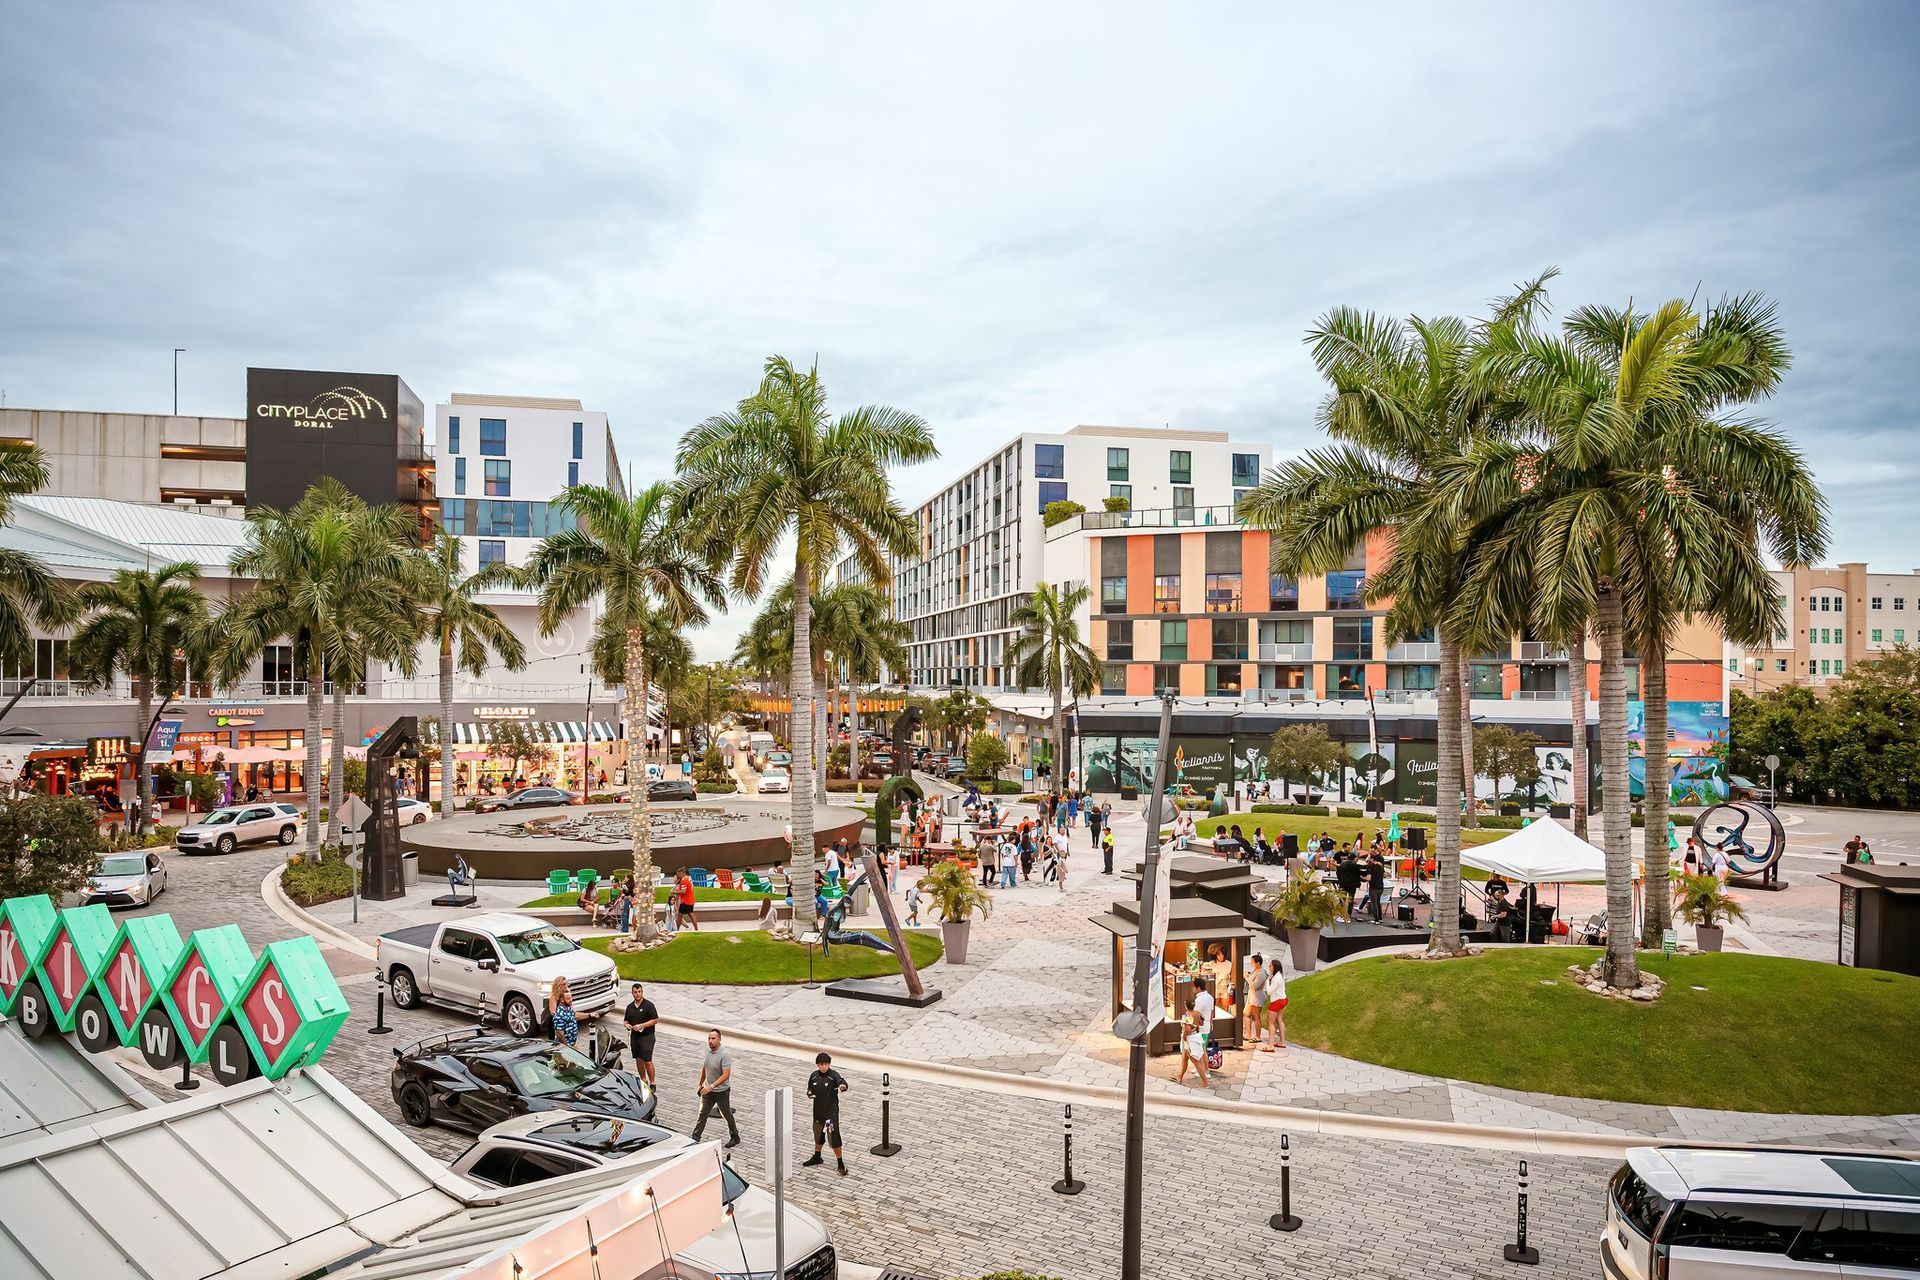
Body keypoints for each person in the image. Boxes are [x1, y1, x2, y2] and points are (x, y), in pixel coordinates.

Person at [690, 1029, 740, 1148]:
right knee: (702, 1114)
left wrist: (711, 1086)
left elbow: (725, 1075)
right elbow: (705, 1068)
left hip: (721, 1092)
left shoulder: (725, 1054)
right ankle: (695, 1138)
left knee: (726, 1114)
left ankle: (735, 1136)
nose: (710, 1041)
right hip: (708, 1091)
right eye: (709, 1038)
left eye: (713, 1038)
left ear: (719, 1039)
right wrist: (700, 1084)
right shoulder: (708, 1052)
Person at [802, 1052, 850, 1175]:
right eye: (821, 1064)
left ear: (829, 1064)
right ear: (817, 1065)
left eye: (826, 1064)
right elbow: (809, 1089)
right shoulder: (813, 1076)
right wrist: (809, 1093)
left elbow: (841, 1081)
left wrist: (842, 1086)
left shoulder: (833, 1076)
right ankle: (817, 1157)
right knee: (818, 1136)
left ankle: (840, 1163)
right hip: (818, 1114)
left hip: (830, 1116)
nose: (824, 1066)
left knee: (833, 1138)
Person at [622, 983, 658, 1087]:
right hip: (635, 1037)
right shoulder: (629, 1007)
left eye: (639, 992)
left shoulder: (649, 1005)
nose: (637, 994)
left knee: (647, 1060)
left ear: (642, 992)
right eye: (635, 992)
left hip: (647, 1036)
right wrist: (627, 1025)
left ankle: (652, 1082)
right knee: (638, 1058)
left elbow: (655, 1020)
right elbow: (626, 1021)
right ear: (632, 993)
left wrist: (642, 1025)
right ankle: (643, 1080)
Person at [1176, 1004, 1210, 1088]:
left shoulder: (1188, 1016)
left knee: (1196, 1061)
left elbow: (1187, 1029)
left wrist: (1184, 1037)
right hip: (1195, 1037)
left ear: (1186, 1006)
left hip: (1190, 1040)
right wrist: (1196, 1027)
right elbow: (1201, 1023)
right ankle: (1179, 1076)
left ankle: (1205, 1082)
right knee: (1184, 1058)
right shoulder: (1198, 1014)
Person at [1245, 952, 1269, 1046]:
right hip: (1252, 996)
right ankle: (1248, 1034)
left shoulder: (1261, 973)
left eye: (1252, 962)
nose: (1251, 964)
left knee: (1256, 1016)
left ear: (1258, 963)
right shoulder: (1255, 970)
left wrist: (1247, 977)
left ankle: (1258, 1036)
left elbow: (1254, 986)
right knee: (1246, 1013)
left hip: (1257, 997)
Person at [548, 974, 579, 1047]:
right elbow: (553, 1012)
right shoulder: (554, 996)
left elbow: (570, 1006)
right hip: (555, 1024)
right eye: (563, 984)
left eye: (566, 984)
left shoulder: (566, 992)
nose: (565, 986)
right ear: (558, 985)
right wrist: (563, 1015)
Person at [1266, 957, 1288, 1049]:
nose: (1269, 967)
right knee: (1280, 1020)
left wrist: (1267, 981)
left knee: (1270, 1023)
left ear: (1274, 967)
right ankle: (1282, 1042)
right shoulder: (1279, 975)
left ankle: (1270, 1046)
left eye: (1270, 966)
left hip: (1276, 1001)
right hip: (1283, 999)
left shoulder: (1275, 978)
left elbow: (1269, 991)